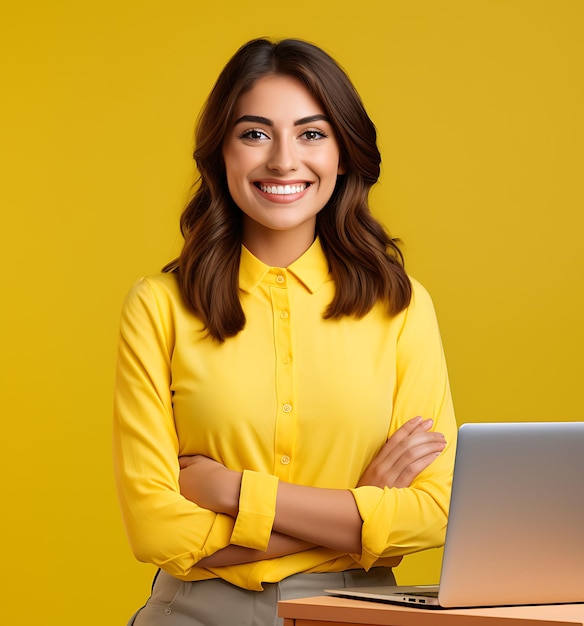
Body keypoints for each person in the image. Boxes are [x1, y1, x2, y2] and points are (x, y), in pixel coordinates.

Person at [113, 37, 457, 626]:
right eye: (254, 134)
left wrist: (231, 492)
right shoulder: (158, 307)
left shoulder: (400, 307)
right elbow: (158, 532)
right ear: (221, 152)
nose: (282, 160)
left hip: (359, 611)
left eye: (311, 133)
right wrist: (356, 514)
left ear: (343, 153)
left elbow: (435, 512)